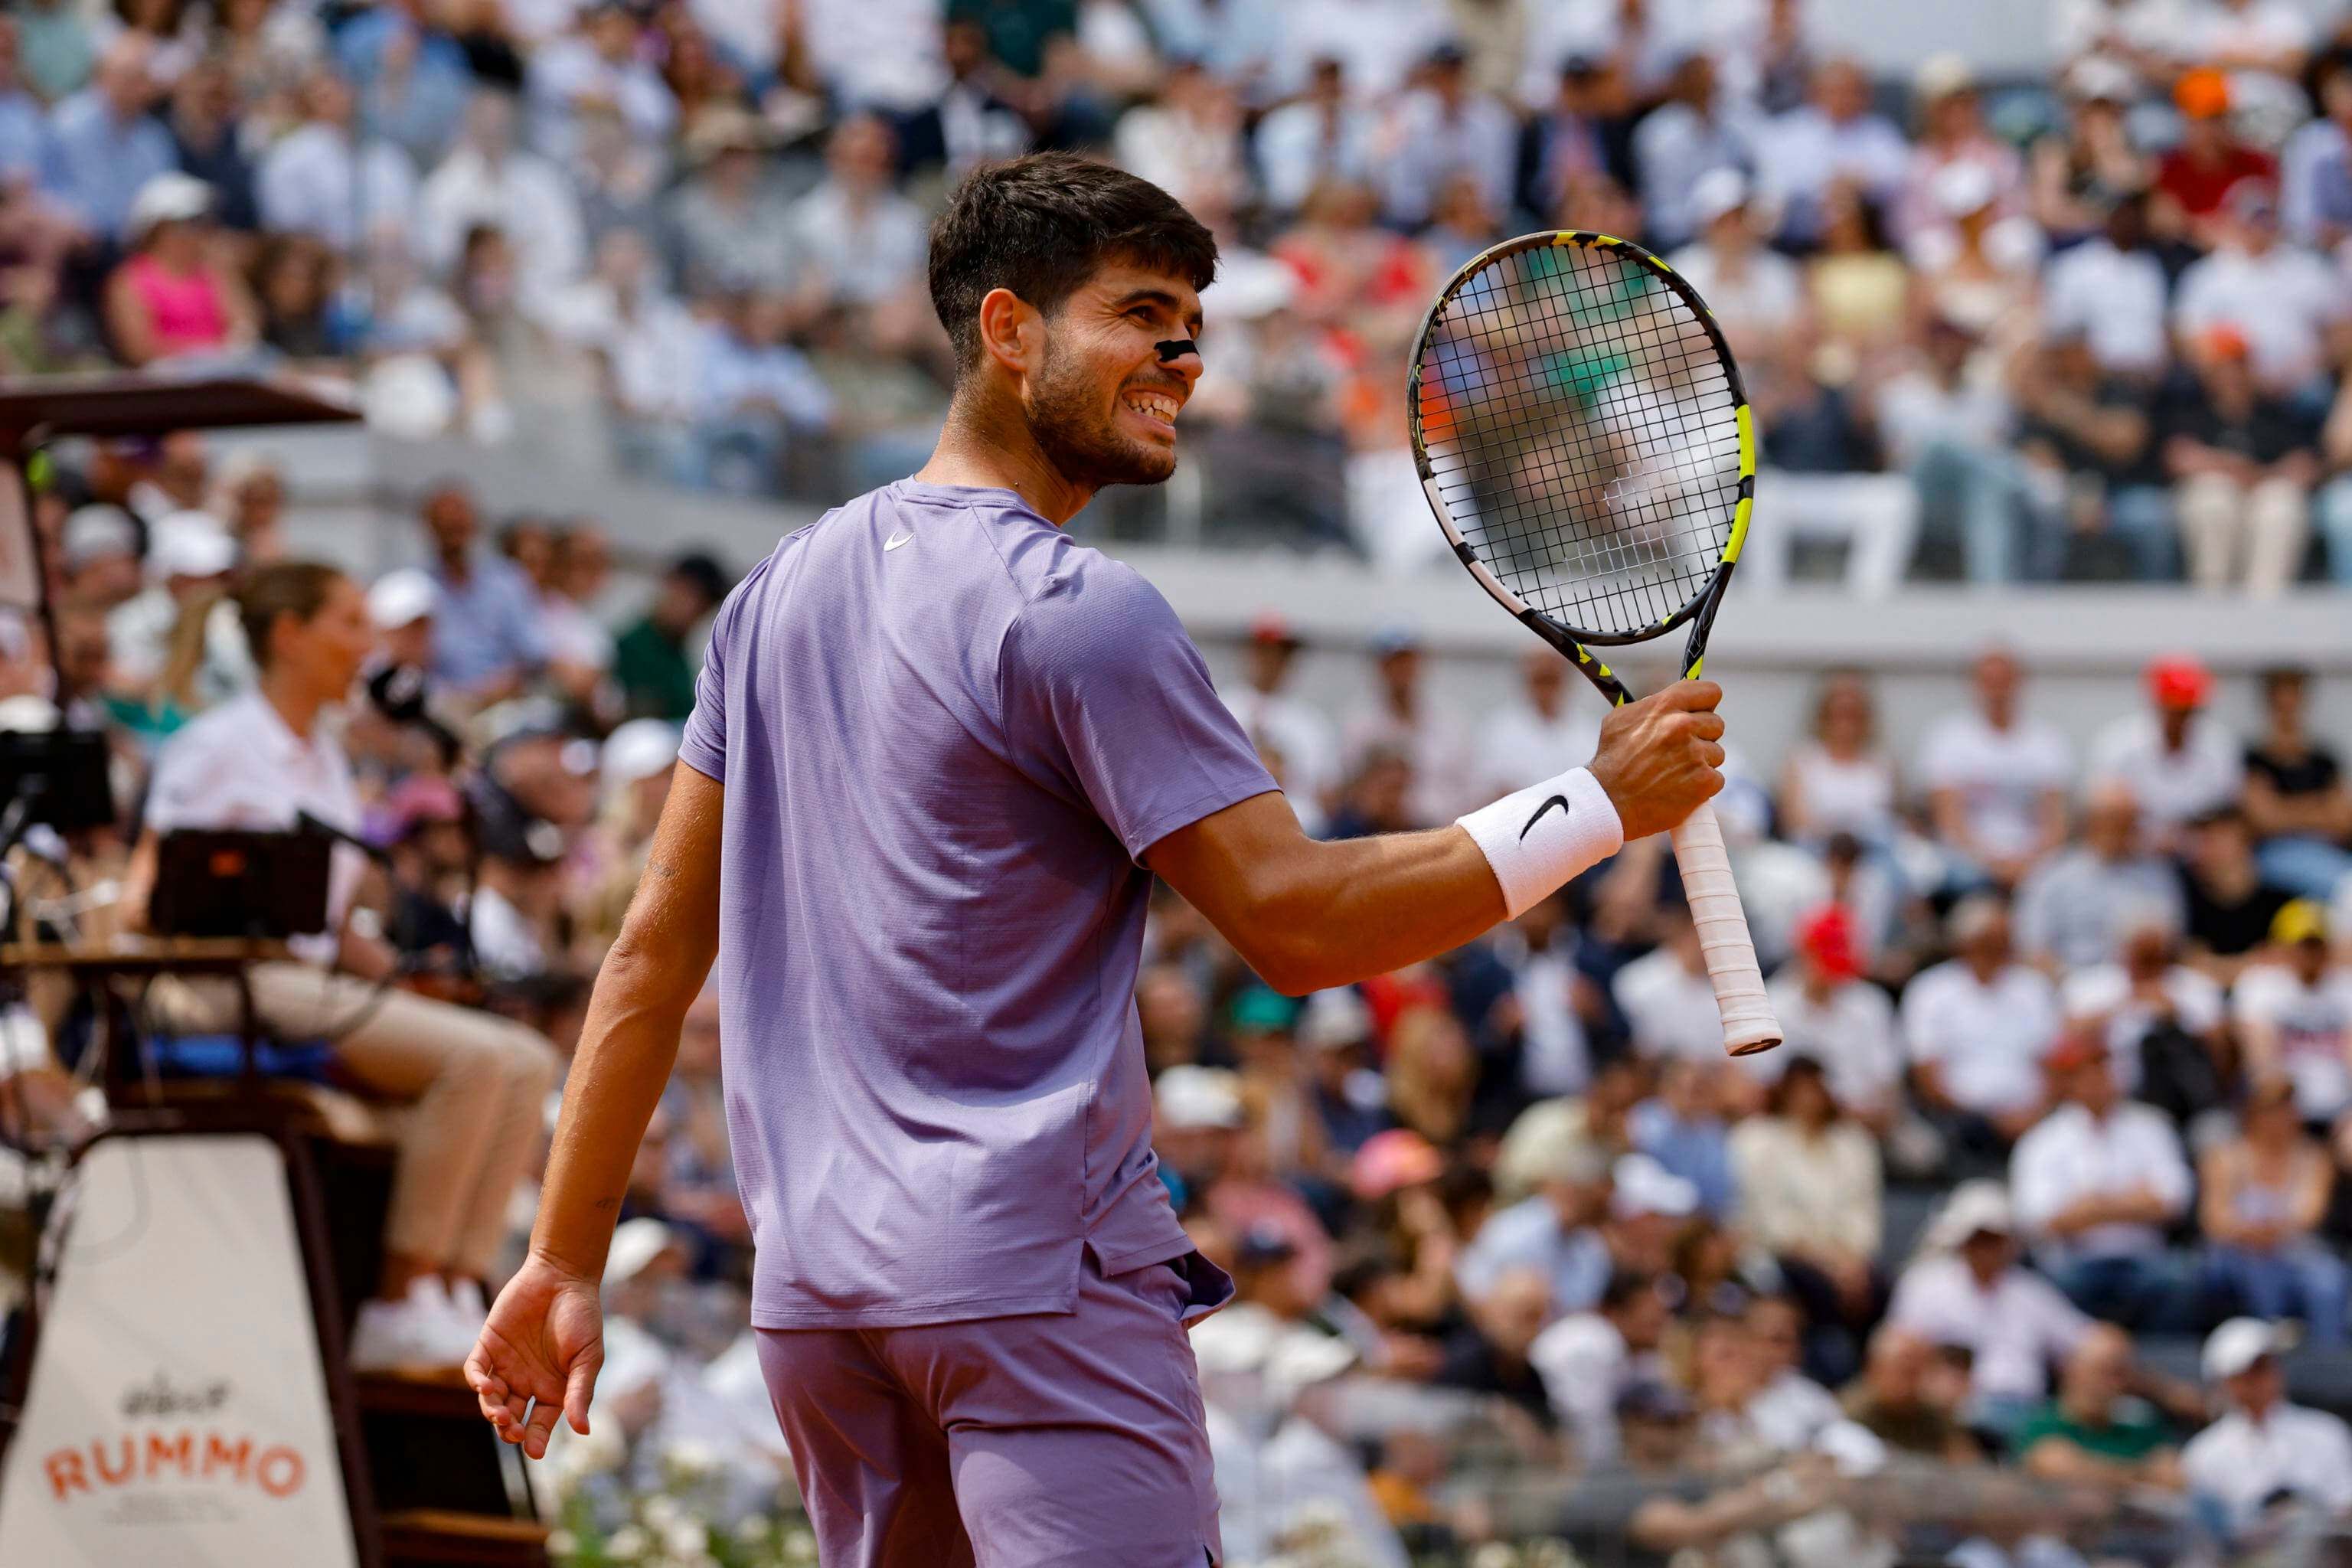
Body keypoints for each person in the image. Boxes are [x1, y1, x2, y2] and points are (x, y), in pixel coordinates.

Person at [466, 153, 1733, 1565]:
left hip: (821, 1309)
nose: (1183, 358)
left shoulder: (772, 595)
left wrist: (561, 1256)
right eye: (1140, 314)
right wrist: (1595, 805)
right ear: (1009, 330)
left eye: (1191, 325)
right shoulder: (1080, 609)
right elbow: (1299, 923)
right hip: (1032, 1285)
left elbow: (649, 958)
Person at [129, 562, 558, 1369]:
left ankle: (452, 1292)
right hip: (223, 983)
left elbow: (329, 925)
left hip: (308, 981)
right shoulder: (215, 747)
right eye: (351, 622)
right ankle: (397, 1299)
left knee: (526, 1059)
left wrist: (405, 973)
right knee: (474, 1061)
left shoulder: (325, 756)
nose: (368, 645)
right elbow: (141, 899)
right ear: (291, 636)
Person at [2007, 1033, 2194, 1328]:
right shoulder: (2042, 1141)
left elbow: (2175, 1199)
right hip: (2074, 1264)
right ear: (2067, 1082)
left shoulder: (2151, 1127)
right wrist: (2134, 1201)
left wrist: (2093, 1206)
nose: (2096, 1080)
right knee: (2048, 1285)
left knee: (2183, 1278)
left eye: (2102, 1068)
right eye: (2084, 1072)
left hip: (2145, 1259)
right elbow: (2038, 1220)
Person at [1885, 1182, 2092, 1439]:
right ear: (1961, 1239)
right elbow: (1899, 1351)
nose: (1986, 1248)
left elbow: (2087, 1343)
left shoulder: (2031, 1292)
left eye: (1994, 1239)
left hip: (2027, 1415)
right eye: (1979, 1238)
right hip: (1950, 1413)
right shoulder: (1925, 1284)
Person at [1902, 896, 2061, 1156]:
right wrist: (1990, 1120)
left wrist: (2034, 1113)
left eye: (2003, 943)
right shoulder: (1930, 991)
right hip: (1959, 1120)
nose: (1996, 952)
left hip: (2031, 1118)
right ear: (1964, 944)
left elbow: (2053, 1064)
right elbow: (1927, 1077)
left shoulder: (2033, 988)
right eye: (1987, 944)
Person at [2198, 1076, 2347, 1345]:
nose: (2283, 1117)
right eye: (2273, 1110)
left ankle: (2331, 1356)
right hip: (2237, 1252)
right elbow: (2214, 1219)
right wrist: (2252, 1233)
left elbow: (2310, 1215)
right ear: (2252, 1114)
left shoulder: (2313, 1157)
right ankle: (2267, 1351)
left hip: (2293, 1252)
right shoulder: (2226, 1156)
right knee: (2257, 1275)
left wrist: (2270, 1231)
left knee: (2328, 1278)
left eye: (2287, 1108)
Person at [2180, 1318, 2352, 1538]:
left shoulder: (2326, 1432)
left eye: (2268, 1365)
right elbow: (2209, 1533)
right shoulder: (2204, 1454)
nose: (2264, 1378)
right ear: (2225, 1381)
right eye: (2251, 1371)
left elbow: (2344, 1508)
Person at [1916, 648, 2071, 890]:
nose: (1997, 690)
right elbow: (1949, 821)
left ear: (2019, 683)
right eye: (1989, 681)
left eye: (2004, 681)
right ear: (1974, 684)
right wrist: (1992, 865)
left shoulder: (2046, 741)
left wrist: (2027, 864)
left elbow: (2055, 822)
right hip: (1967, 864)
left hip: (2033, 865)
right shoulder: (1949, 738)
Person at [2013, 781, 2184, 972]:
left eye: (2128, 820)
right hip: (2072, 979)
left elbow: (2173, 941)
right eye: (2112, 819)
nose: (2120, 829)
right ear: (2089, 821)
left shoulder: (2157, 875)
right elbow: (2032, 947)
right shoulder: (2052, 875)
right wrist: (2067, 980)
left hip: (2140, 978)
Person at [2014, 1325, 2184, 1494]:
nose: (2112, 1384)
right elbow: (2058, 1468)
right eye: (2101, 1371)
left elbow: (2173, 1477)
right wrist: (2142, 1473)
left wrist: (2095, 1470)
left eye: (2120, 1374)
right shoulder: (2041, 1425)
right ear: (2071, 1371)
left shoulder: (2140, 1426)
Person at [1529, 1268, 1672, 1467]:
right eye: (1651, 1320)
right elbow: (1586, 1422)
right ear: (1616, 1313)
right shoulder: (1594, 1342)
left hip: (1557, 1440)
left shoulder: (1634, 1353)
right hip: (1541, 1440)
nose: (1661, 1323)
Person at [2233, 900, 2352, 1131]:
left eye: (2315, 945)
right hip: (2282, 1105)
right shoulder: (2260, 985)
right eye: (2302, 945)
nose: (2309, 953)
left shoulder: (2345, 985)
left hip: (2341, 1108)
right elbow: (2261, 1062)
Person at [2242, 666, 2352, 901]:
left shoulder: (2324, 760)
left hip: (2327, 854)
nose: (2288, 708)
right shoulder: (2255, 760)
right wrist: (2319, 806)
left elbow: (2343, 819)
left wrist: (2284, 809)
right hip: (2274, 856)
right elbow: (2264, 820)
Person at [611, 551, 730, 722]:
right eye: (690, 596)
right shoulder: (629, 647)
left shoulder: (681, 657)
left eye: (705, 606)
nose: (696, 611)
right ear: (670, 584)